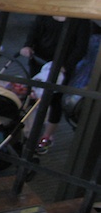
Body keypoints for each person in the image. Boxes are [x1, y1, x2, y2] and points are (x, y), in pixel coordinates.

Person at [20, 15, 92, 154]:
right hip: (39, 61)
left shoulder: (81, 22)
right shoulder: (46, 14)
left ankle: (47, 136)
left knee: (54, 102)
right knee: (33, 95)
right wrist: (27, 46)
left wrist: (66, 66)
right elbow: (34, 31)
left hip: (62, 67)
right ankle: (28, 131)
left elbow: (80, 48)